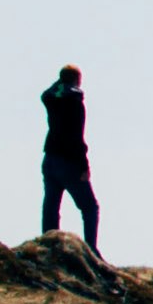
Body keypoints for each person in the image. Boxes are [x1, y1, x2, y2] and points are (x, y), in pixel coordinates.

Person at [39, 65, 100, 254]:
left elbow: (46, 93)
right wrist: (84, 165)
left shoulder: (52, 100)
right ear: (77, 79)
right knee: (90, 207)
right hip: (70, 161)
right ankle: (91, 250)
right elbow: (77, 135)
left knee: (51, 205)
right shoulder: (75, 102)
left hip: (50, 159)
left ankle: (49, 245)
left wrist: (60, 82)